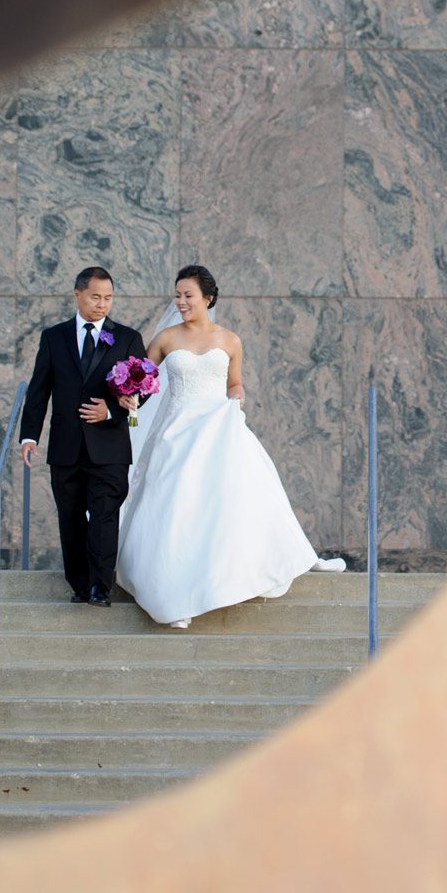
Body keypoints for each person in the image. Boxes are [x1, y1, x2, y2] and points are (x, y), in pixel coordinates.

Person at [114, 264, 343, 628]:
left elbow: (234, 384)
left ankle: (229, 573)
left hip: (217, 428)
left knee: (232, 497)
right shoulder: (166, 339)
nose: (181, 302)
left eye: (188, 296)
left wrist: (237, 398)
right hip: (176, 431)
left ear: (208, 298)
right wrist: (127, 393)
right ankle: (172, 592)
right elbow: (140, 379)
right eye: (177, 295)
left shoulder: (230, 340)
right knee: (176, 506)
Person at [19, 266, 149, 607]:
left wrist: (112, 411)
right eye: (95, 297)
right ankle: (78, 583)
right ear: (77, 294)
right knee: (71, 517)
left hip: (110, 446)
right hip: (66, 446)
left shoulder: (127, 337)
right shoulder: (54, 337)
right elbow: (39, 390)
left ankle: (100, 587)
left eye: (108, 298)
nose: (102, 305)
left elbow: (145, 388)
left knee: (105, 516)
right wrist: (28, 436)